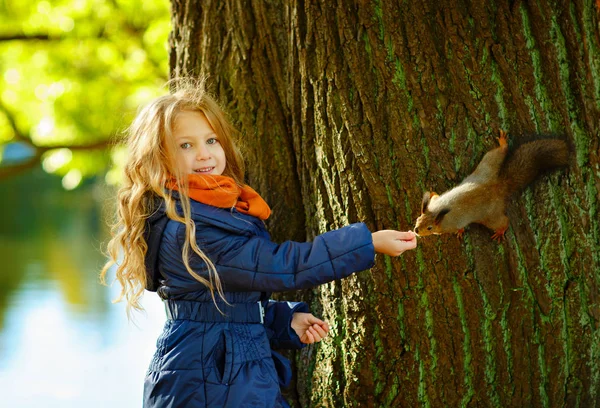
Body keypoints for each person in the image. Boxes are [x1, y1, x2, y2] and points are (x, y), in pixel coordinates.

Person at [101, 79, 417, 408]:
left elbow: (222, 305)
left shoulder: (212, 211)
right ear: (159, 157)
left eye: (211, 140)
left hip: (226, 374)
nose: (204, 153)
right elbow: (283, 267)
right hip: (209, 384)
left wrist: (282, 321)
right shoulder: (189, 231)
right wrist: (367, 243)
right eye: (186, 145)